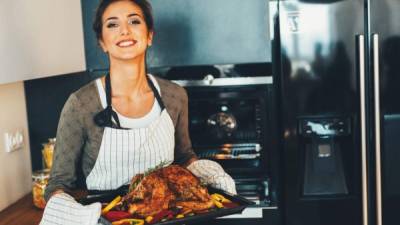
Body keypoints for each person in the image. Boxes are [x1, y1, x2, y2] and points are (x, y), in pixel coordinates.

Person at [39, 0, 236, 224]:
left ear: (149, 35)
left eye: (134, 21)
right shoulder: (82, 104)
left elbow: (183, 156)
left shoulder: (174, 96)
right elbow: (58, 184)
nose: (124, 30)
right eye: (112, 24)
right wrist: (89, 218)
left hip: (168, 216)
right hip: (111, 217)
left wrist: (212, 176)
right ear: (102, 42)